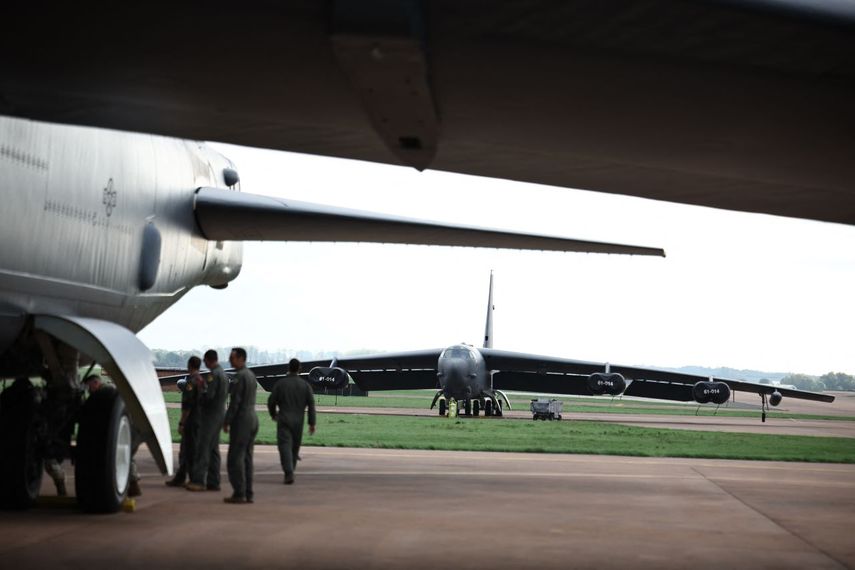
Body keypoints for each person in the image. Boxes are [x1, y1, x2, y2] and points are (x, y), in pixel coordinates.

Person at [267, 359, 316, 485]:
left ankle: (288, 472)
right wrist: (312, 423)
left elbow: (271, 401)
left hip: (283, 419)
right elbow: (311, 405)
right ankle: (291, 470)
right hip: (298, 421)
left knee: (284, 446)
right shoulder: (305, 386)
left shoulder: (280, 384)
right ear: (299, 369)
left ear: (288, 368)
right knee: (294, 447)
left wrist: (273, 414)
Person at [185, 350, 228, 492]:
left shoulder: (213, 375)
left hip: (210, 416)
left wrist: (200, 397)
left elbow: (209, 396)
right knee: (214, 449)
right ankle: (213, 481)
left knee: (203, 448)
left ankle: (198, 481)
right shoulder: (223, 373)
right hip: (219, 414)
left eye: (205, 361)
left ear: (209, 360)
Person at [223, 347, 258, 504]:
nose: (231, 361)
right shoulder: (251, 375)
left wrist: (227, 421)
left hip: (242, 420)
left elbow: (235, 403)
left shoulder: (239, 377)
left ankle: (239, 492)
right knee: (247, 458)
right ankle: (248, 492)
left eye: (233, 358)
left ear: (241, 359)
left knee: (235, 458)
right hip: (252, 419)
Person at [165, 357, 201, 488]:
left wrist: (181, 423)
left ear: (190, 365)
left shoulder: (191, 382)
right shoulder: (202, 381)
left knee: (188, 450)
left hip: (191, 420)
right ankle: (181, 477)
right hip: (199, 419)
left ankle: (193, 479)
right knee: (188, 449)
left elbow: (188, 405)